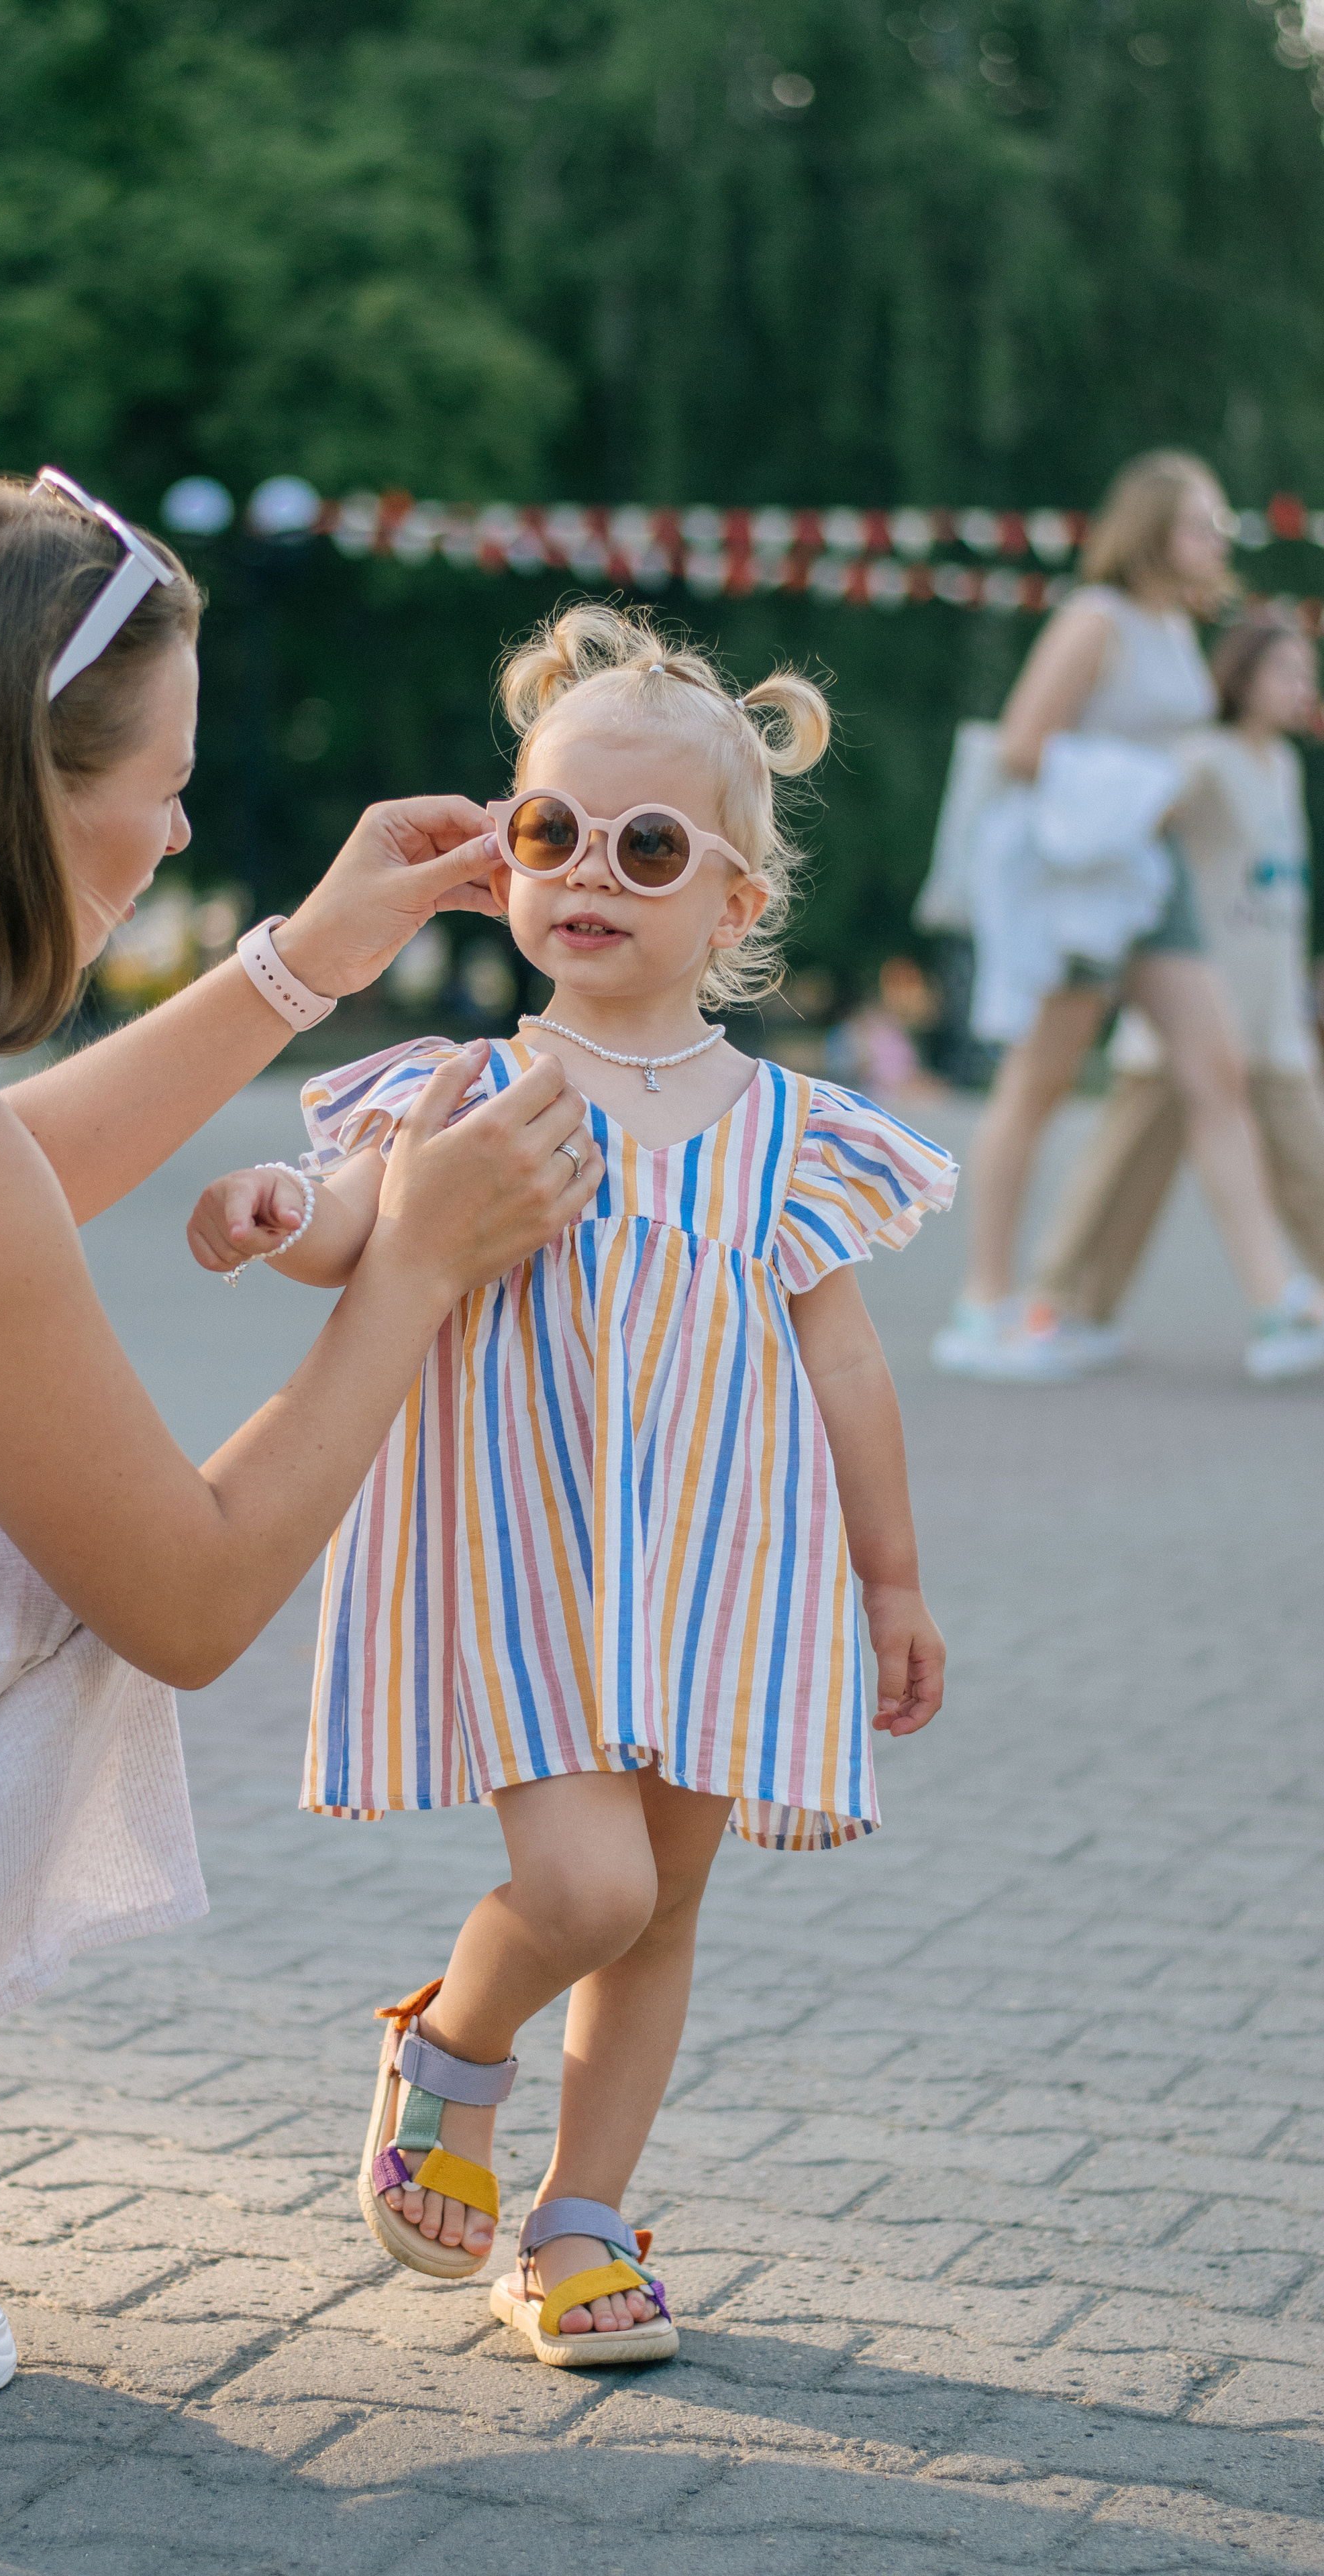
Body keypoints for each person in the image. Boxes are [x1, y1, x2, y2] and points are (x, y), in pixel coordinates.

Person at [0, 470, 603, 2457]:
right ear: (7, 790)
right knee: (43, 1534)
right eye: (156, 782)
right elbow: (191, 1589)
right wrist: (406, 1273)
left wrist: (298, 961)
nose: (166, 825)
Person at [188, 604, 955, 2367]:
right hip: (526, 1556)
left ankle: (582, 2216)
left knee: (666, 1903)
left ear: (735, 903)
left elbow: (844, 1363)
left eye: (650, 846)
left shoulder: (788, 1135)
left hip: (727, 1570)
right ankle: (455, 2045)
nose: (589, 871)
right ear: (504, 855)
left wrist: (891, 1581)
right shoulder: (468, 1086)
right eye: (550, 832)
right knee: (590, 1888)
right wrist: (280, 1215)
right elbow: (362, 1231)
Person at [928, 451, 1320, 1383]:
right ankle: (984, 1303)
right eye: (1200, 523)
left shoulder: (1176, 628)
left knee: (1216, 1070)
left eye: (1219, 526)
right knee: (1041, 1082)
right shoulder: (1094, 620)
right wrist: (1138, 786)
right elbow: (1024, 747)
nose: (1215, 541)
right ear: (1150, 529)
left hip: (1155, 870)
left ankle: (1276, 1304)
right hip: (1085, 877)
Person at [1031, 618, 1324, 1377]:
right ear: (1242, 677)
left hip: (1270, 1013)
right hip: (1193, 1008)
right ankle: (1059, 1307)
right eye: (1285, 671)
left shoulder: (1284, 764)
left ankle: (1294, 1310)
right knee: (1125, 1171)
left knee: (1311, 1168)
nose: (1301, 685)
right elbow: (1136, 816)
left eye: (1306, 671)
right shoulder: (1203, 758)